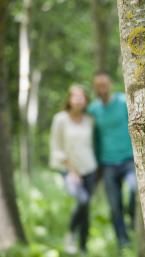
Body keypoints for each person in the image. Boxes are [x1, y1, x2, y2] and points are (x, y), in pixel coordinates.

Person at [88, 72, 137, 248]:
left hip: (128, 159)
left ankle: (133, 219)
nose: (102, 88)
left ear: (110, 84)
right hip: (107, 164)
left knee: (135, 190)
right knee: (115, 205)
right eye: (98, 85)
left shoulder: (123, 101)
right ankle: (122, 241)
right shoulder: (93, 109)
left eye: (104, 84)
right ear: (95, 87)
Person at [49, 85, 97, 254]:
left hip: (90, 169)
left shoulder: (90, 120)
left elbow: (91, 146)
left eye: (81, 97)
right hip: (68, 169)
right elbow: (56, 147)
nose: (78, 100)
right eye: (74, 96)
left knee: (86, 208)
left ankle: (83, 247)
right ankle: (70, 235)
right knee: (82, 201)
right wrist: (72, 171)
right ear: (69, 99)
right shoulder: (60, 119)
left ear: (86, 100)